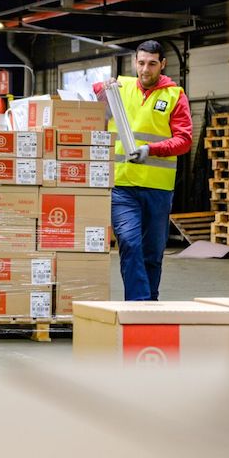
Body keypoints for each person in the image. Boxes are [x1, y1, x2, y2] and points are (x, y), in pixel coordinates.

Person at [93, 40, 192, 301]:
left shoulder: (174, 96)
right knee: (129, 242)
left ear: (163, 64)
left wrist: (151, 149)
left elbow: (184, 140)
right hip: (122, 186)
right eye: (141, 63)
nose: (145, 69)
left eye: (152, 64)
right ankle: (138, 305)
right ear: (134, 62)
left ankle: (150, 303)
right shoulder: (119, 88)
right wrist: (101, 90)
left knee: (152, 252)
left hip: (158, 189)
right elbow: (87, 100)